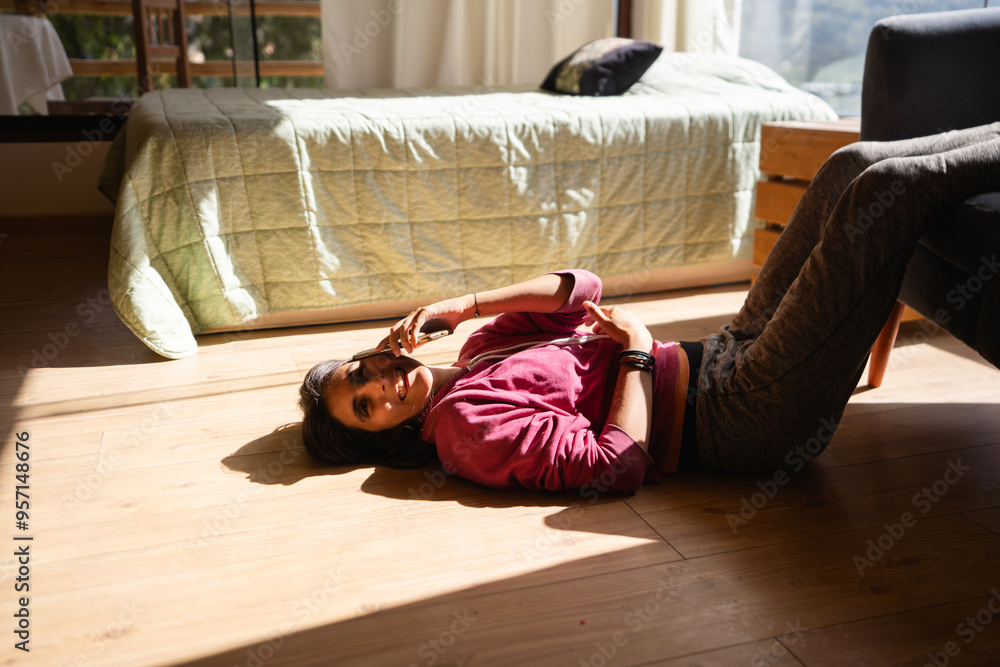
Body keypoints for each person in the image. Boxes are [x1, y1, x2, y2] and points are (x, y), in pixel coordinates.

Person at [300, 122, 1000, 493]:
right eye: (366, 406)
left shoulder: (477, 353)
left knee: (848, 167)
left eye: (362, 373)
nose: (379, 384)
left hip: (725, 350)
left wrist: (469, 304)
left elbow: (582, 289)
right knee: (889, 194)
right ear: (385, 436)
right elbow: (615, 466)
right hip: (741, 418)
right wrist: (634, 349)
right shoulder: (461, 430)